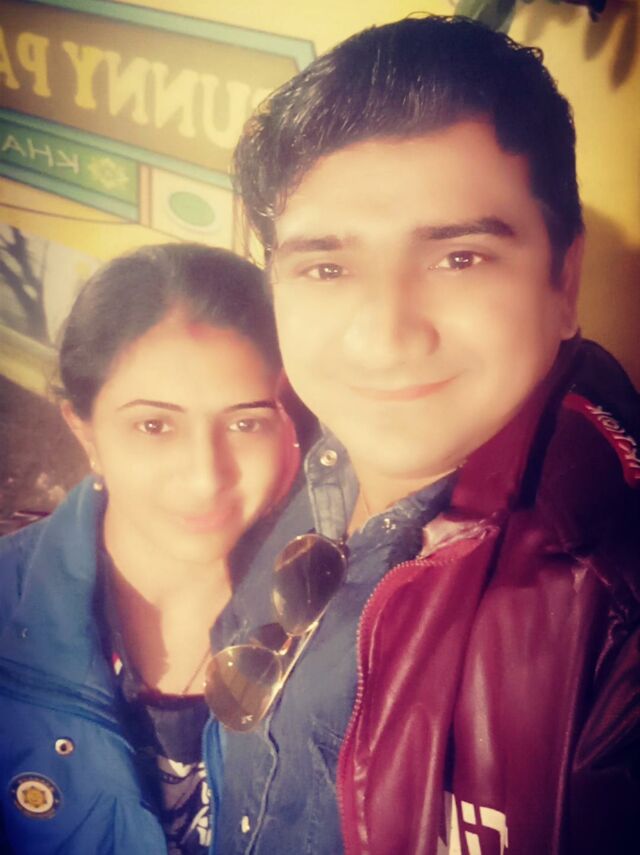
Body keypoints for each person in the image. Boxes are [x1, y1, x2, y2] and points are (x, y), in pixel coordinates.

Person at [211, 15, 640, 855]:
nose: (385, 335)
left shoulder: (611, 627)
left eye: (459, 258)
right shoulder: (273, 451)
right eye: (327, 267)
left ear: (564, 280)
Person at [0, 243, 299, 854]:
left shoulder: (341, 615)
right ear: (84, 430)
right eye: (154, 425)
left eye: (245, 422)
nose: (205, 477)